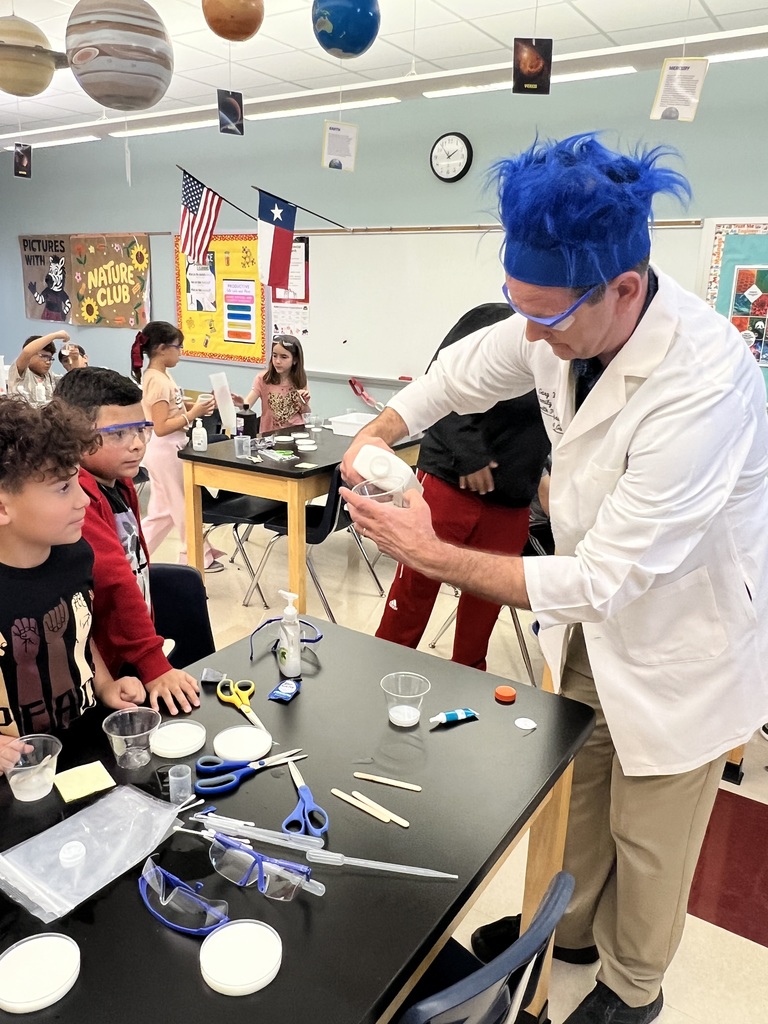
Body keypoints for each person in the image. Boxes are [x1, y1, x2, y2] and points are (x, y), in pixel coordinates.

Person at [340, 133, 768, 1024]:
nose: (531, 333)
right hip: (591, 622)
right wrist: (379, 431)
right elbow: (458, 375)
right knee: (576, 787)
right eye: (517, 304)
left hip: (681, 635)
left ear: (626, 286)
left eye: (548, 314)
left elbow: (612, 577)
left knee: (649, 835)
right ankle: (566, 932)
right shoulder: (559, 323)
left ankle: (631, 987)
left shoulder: (704, 379)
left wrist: (431, 554)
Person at [375, 302, 550, 671]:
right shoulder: (490, 320)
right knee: (413, 597)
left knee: (482, 613)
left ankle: (469, 687)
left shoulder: (576, 348)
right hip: (448, 483)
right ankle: (383, 673)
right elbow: (436, 389)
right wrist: (470, 454)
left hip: (512, 499)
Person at [0, 397, 144, 775]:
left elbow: (78, 632)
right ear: (3, 508)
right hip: (19, 771)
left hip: (83, 743)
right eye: (64, 488)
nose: (84, 499)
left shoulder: (76, 554)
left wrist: (106, 686)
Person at [54, 367, 202, 716]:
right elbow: (114, 578)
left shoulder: (118, 483)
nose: (137, 443)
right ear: (75, 436)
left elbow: (135, 564)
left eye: (141, 428)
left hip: (124, 665)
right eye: (119, 433)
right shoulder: (80, 500)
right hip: (98, 674)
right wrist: (152, 663)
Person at [131, 321, 224, 572]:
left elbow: (172, 407)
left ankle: (132, 555)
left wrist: (195, 408)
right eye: (178, 347)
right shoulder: (157, 380)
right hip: (165, 449)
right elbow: (160, 425)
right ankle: (194, 557)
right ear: (162, 348)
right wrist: (192, 414)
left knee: (162, 511)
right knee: (183, 506)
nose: (180, 353)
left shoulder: (161, 376)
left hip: (168, 448)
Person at [234, 335, 310, 432]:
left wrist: (303, 403)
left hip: (296, 433)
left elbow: (306, 413)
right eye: (274, 356)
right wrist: (241, 404)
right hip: (270, 435)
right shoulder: (263, 379)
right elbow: (247, 404)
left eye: (284, 357)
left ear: (295, 360)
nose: (277, 361)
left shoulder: (300, 379)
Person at [7, 330, 67, 406]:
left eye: (50, 358)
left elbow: (72, 380)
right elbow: (27, 352)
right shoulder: (20, 372)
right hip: (21, 416)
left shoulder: (49, 376)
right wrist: (55, 335)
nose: (48, 362)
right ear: (31, 355)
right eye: (44, 357)